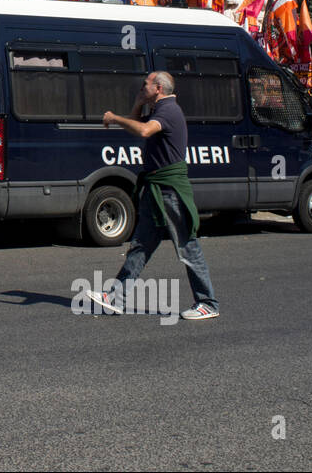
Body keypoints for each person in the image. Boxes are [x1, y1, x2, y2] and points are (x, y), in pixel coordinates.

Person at [86, 71, 220, 321]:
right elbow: (136, 124)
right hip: (156, 191)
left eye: (144, 85)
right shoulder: (160, 108)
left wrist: (114, 117)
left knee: (188, 247)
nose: (141, 86)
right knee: (141, 246)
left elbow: (144, 131)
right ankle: (116, 297)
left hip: (169, 191)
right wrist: (137, 103)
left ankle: (208, 303)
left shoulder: (168, 111)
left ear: (158, 88)